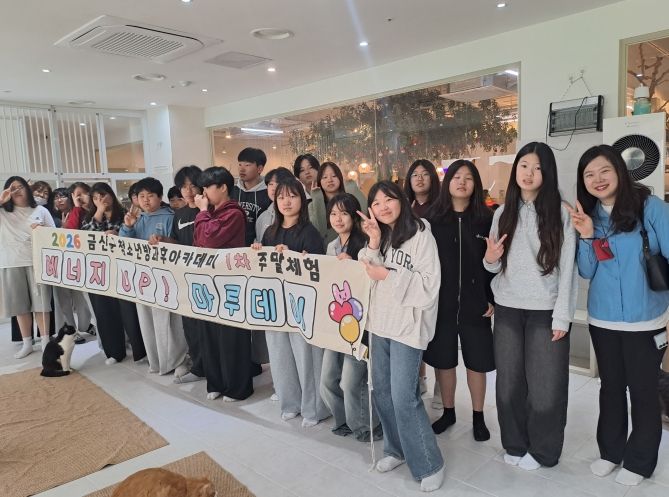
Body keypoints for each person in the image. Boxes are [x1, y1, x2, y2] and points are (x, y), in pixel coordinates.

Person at [568, 145, 669, 486]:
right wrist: (586, 235)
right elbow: (587, 270)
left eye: (604, 171)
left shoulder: (650, 207)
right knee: (610, 388)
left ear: (619, 171)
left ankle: (639, 461)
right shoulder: (591, 216)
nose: (597, 179)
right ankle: (610, 452)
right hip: (603, 320)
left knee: (643, 391)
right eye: (589, 174)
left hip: (646, 320)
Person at [483, 142, 577, 471]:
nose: (529, 173)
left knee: (546, 387)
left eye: (537, 168)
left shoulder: (561, 213)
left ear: (547, 173)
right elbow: (494, 265)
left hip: (546, 310)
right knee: (509, 384)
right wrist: (489, 258)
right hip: (507, 308)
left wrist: (562, 316)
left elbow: (568, 268)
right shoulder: (502, 213)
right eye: (524, 165)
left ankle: (544, 451)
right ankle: (515, 443)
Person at [358, 180, 444, 492]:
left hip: (408, 326)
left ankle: (429, 463)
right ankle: (395, 449)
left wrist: (388, 275)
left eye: (389, 199)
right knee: (381, 391)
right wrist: (373, 241)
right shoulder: (380, 235)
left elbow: (430, 284)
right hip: (379, 324)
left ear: (402, 201)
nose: (383, 207)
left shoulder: (421, 234)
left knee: (404, 397)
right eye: (376, 203)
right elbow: (365, 271)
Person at [424, 160, 495, 441]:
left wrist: (491, 298)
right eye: (456, 177)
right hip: (441, 304)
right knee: (444, 361)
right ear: (447, 182)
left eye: (468, 178)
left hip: (476, 303)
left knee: (477, 362)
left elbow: (495, 264)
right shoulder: (432, 220)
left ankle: (478, 417)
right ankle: (449, 412)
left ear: (475, 184)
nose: (462, 182)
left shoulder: (487, 219)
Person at [253, 176, 330, 427]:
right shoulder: (269, 232)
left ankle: (314, 408)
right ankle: (290, 403)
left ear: (302, 201)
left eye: (292, 196)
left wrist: (295, 258)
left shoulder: (310, 233)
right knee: (279, 356)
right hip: (276, 305)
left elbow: (317, 273)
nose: (286, 202)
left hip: (302, 307)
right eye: (281, 197)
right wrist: (257, 253)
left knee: (306, 358)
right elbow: (263, 269)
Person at [319, 192, 381, 442]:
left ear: (354, 217)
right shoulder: (331, 246)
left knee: (351, 381)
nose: (338, 218)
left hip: (361, 325)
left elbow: (373, 278)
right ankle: (343, 420)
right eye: (333, 213)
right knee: (327, 379)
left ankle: (367, 427)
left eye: (344, 213)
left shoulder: (366, 244)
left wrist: (354, 263)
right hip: (337, 323)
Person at [193, 166, 254, 401]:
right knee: (209, 334)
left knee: (231, 335)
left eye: (207, 187)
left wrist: (202, 211)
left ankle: (237, 387)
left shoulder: (234, 213)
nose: (204, 193)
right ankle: (216, 382)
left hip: (230, 282)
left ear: (223, 188)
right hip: (209, 281)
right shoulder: (210, 213)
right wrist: (204, 213)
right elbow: (199, 241)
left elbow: (209, 239)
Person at [120, 177, 187, 376]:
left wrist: (163, 240)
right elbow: (124, 246)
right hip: (142, 278)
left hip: (165, 277)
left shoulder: (170, 216)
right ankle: (156, 360)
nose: (146, 200)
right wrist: (128, 227)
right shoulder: (137, 218)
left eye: (150, 196)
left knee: (169, 321)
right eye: (141, 196)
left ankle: (176, 360)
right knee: (147, 320)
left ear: (159, 197)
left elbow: (177, 243)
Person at [150, 165, 206, 385]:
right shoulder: (180, 214)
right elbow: (177, 241)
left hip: (207, 277)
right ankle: (198, 367)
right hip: (185, 277)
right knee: (189, 324)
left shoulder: (207, 210)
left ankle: (212, 368)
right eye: (184, 187)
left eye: (193, 185)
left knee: (206, 326)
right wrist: (163, 240)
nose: (189, 191)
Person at [82, 182, 145, 364]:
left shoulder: (124, 213)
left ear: (111, 194)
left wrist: (117, 233)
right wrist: (99, 211)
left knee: (129, 312)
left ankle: (139, 350)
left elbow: (132, 235)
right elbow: (86, 235)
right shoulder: (90, 217)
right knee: (105, 312)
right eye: (95, 198)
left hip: (123, 270)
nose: (100, 200)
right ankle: (114, 352)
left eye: (103, 195)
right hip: (99, 272)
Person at [0, 176, 55, 358]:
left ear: (27, 189)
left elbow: (55, 236)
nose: (16, 190)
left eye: (20, 187)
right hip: (11, 262)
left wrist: (42, 231)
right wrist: (1, 199)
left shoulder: (40, 210)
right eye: (12, 188)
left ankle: (45, 340)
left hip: (37, 262)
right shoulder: (3, 211)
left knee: (42, 304)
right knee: (19, 306)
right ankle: (27, 343)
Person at [253, 166, 294, 382]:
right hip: (272, 284)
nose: (273, 188)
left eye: (277, 184)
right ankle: (281, 383)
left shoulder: (301, 217)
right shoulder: (263, 218)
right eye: (269, 184)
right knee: (276, 340)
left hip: (293, 285)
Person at [404, 159, 441, 398]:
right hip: (411, 278)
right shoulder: (405, 208)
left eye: (424, 174)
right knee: (414, 331)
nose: (419, 178)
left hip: (435, 276)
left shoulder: (441, 207)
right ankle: (420, 378)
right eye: (415, 174)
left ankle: (441, 386)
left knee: (437, 335)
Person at [55, 182, 95, 344]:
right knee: (64, 300)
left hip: (83, 264)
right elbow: (70, 233)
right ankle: (71, 330)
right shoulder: (72, 212)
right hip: (63, 264)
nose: (80, 197)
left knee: (82, 299)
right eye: (76, 195)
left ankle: (85, 325)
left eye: (84, 193)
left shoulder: (92, 212)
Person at [308, 161, 367, 246]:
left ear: (340, 178)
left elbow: (364, 213)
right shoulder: (312, 206)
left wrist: (349, 184)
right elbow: (319, 231)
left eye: (334, 176)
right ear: (319, 181)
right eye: (324, 177)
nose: (330, 180)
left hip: (355, 247)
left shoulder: (349, 199)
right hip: (327, 251)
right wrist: (317, 199)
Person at [232, 147, 271, 246]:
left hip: (259, 247)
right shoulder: (233, 191)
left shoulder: (269, 193)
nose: (242, 169)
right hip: (234, 247)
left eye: (247, 165)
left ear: (260, 168)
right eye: (240, 164)